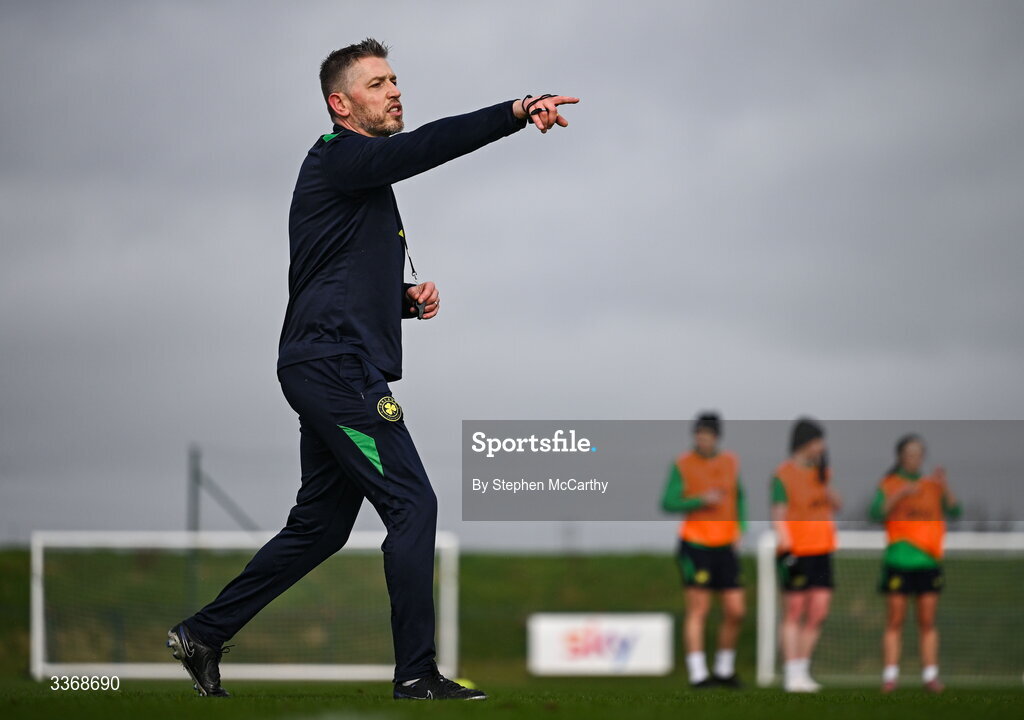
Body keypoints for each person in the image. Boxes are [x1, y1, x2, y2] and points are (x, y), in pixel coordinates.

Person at [165, 38, 579, 700]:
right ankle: (416, 673)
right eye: (377, 82)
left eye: (395, 79)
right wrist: (516, 109)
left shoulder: (355, 178)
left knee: (322, 527)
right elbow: (422, 149)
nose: (394, 90)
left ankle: (204, 634)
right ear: (341, 103)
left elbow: (334, 277)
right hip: (338, 371)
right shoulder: (340, 157)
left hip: (326, 362)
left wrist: (402, 304)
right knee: (413, 504)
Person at [661, 412, 747, 688]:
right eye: (699, 435)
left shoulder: (730, 462)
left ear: (716, 437)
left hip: (725, 544)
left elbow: (739, 496)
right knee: (699, 609)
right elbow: (668, 502)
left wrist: (739, 528)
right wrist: (699, 500)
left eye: (708, 435)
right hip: (696, 544)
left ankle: (724, 669)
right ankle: (698, 674)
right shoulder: (683, 464)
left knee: (736, 609)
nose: (703, 440)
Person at [870, 434, 961, 694]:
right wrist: (900, 494)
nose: (914, 459)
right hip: (898, 560)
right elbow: (875, 513)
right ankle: (890, 676)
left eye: (919, 454)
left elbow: (955, 511)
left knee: (927, 620)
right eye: (909, 454)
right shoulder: (889, 484)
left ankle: (931, 675)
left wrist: (946, 487)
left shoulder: (933, 486)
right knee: (895, 619)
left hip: (928, 560)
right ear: (900, 457)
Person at [771, 418, 841, 692]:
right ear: (804, 443)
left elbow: (837, 504)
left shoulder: (823, 474)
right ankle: (791, 672)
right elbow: (778, 515)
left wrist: (825, 483)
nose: (821, 447)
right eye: (817, 442)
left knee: (818, 610)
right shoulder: (783, 475)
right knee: (794, 610)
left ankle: (803, 669)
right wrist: (788, 551)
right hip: (796, 552)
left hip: (822, 549)